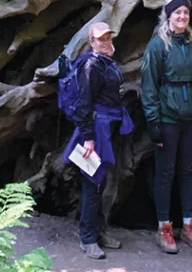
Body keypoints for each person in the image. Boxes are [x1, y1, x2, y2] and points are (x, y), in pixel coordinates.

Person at [140, 0, 192, 254]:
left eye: (185, 12)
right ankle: (163, 227)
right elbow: (148, 87)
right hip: (168, 118)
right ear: (168, 14)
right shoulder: (157, 45)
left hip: (191, 118)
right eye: (177, 12)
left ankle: (189, 224)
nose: (182, 16)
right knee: (166, 173)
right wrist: (153, 121)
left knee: (188, 171)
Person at [62, 21, 134, 260]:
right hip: (95, 131)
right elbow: (84, 103)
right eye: (101, 39)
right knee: (92, 184)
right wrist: (89, 138)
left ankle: (99, 231)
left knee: (102, 183)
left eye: (108, 37)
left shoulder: (106, 63)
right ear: (91, 42)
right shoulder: (91, 65)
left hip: (107, 127)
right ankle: (88, 239)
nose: (106, 42)